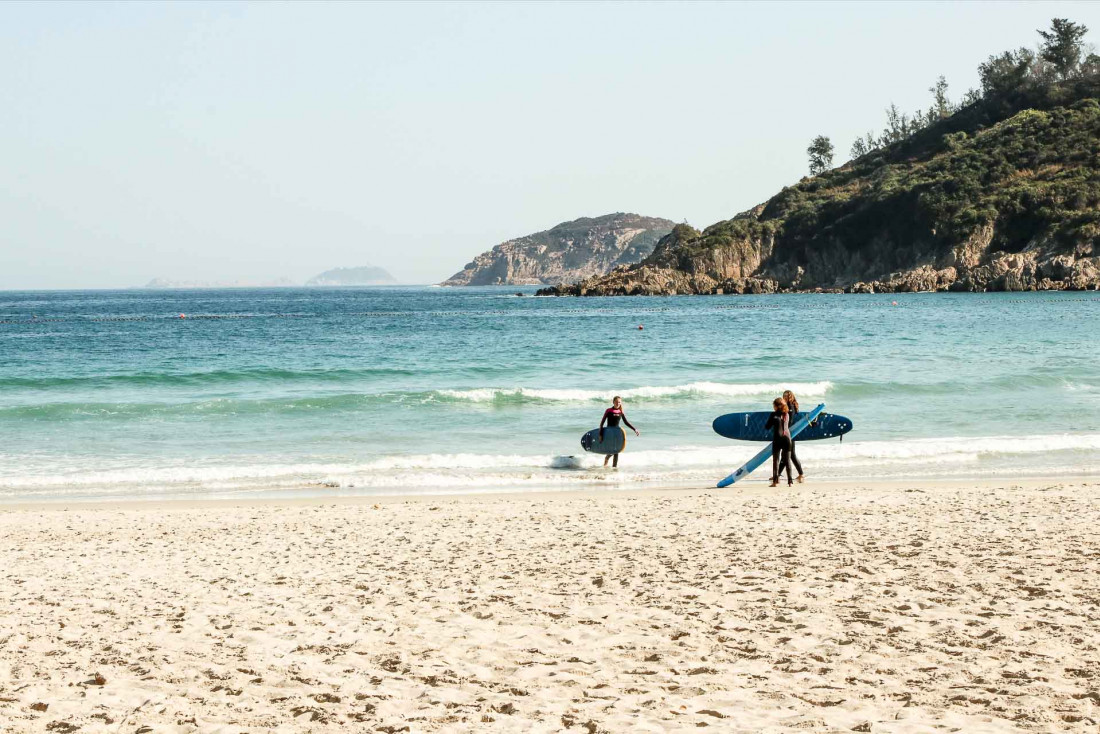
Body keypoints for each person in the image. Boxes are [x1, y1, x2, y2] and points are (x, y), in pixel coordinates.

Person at [598, 395, 639, 468]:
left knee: (617, 451)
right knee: (612, 450)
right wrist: (600, 435)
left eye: (619, 402)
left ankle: (614, 467)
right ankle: (607, 458)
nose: (618, 403)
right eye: (616, 402)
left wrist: (634, 429)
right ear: (613, 402)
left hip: (617, 434)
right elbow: (602, 423)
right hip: (609, 433)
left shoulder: (621, 412)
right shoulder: (608, 411)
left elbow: (626, 422)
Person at [764, 397, 793, 487]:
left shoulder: (773, 414)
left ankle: (775, 482)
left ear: (776, 406)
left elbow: (767, 427)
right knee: (787, 460)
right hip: (787, 439)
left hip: (777, 439)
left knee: (776, 461)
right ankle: (790, 482)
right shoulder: (787, 414)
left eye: (774, 405)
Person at [779, 389, 805, 483]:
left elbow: (789, 421)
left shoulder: (790, 406)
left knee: (790, 455)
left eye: (787, 396)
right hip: (790, 432)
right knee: (788, 455)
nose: (785, 397)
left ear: (791, 396)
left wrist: (784, 431)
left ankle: (801, 474)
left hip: (789, 433)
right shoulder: (790, 405)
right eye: (784, 396)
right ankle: (778, 474)